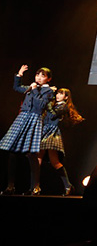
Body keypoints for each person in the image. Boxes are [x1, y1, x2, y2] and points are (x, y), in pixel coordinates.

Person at [0, 65, 54, 195]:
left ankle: (35, 186)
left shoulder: (48, 91)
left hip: (34, 119)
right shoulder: (31, 87)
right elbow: (17, 87)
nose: (39, 77)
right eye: (37, 75)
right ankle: (10, 186)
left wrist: (34, 90)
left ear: (48, 79)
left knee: (31, 154)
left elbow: (40, 105)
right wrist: (19, 74)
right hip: (22, 118)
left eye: (42, 76)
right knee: (12, 151)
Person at [39, 88, 84, 195]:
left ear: (66, 97)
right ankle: (67, 186)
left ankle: (36, 186)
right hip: (45, 131)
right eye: (57, 93)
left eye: (61, 94)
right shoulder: (54, 105)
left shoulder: (63, 106)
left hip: (51, 133)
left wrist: (48, 103)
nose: (57, 95)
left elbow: (52, 115)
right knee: (46, 160)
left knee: (49, 161)